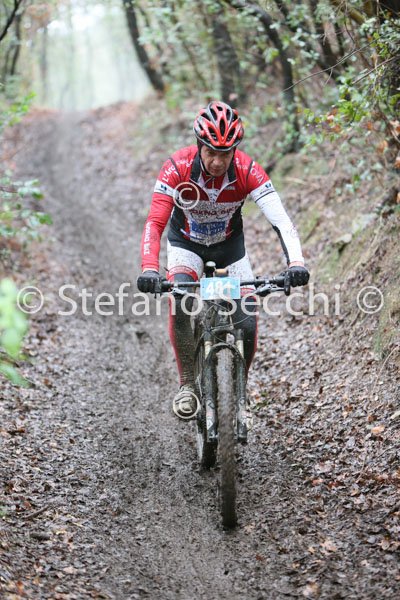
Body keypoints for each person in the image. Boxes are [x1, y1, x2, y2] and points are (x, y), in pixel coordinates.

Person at [137, 100, 309, 419]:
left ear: (234, 151)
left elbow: (281, 221)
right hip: (186, 245)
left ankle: (240, 388)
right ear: (199, 145)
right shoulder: (176, 167)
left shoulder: (247, 170)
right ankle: (188, 384)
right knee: (181, 300)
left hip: (229, 249)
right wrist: (149, 267)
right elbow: (155, 222)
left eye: (225, 154)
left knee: (247, 320)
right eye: (211, 152)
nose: (217, 162)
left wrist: (295, 263)